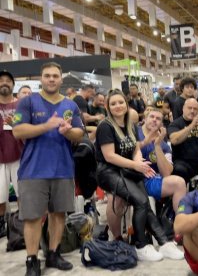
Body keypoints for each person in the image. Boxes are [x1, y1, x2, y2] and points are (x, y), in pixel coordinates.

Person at [12, 62, 84, 275]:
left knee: (59, 214)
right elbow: (17, 131)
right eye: (47, 76)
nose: (51, 79)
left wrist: (67, 132)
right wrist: (47, 126)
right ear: (41, 79)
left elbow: (80, 133)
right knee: (32, 217)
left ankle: (53, 253)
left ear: (61, 80)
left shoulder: (71, 105)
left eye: (55, 76)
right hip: (33, 171)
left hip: (63, 169)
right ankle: (32, 259)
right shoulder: (27, 102)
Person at [95, 89, 183, 262]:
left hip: (128, 170)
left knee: (144, 202)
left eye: (121, 102)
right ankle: (141, 245)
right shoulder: (105, 126)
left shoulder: (130, 125)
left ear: (126, 105)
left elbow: (135, 149)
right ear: (107, 107)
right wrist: (137, 165)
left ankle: (164, 243)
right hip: (109, 171)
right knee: (141, 201)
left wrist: (140, 164)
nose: (118, 106)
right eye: (113, 103)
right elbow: (109, 156)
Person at [0, 71, 24, 238]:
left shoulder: (20, 105)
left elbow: (27, 127)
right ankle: (1, 224)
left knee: (22, 193)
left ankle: (21, 223)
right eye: (1, 80)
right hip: (0, 159)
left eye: (8, 80)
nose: (4, 83)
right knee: (0, 197)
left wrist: (16, 123)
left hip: (19, 155)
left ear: (13, 85)